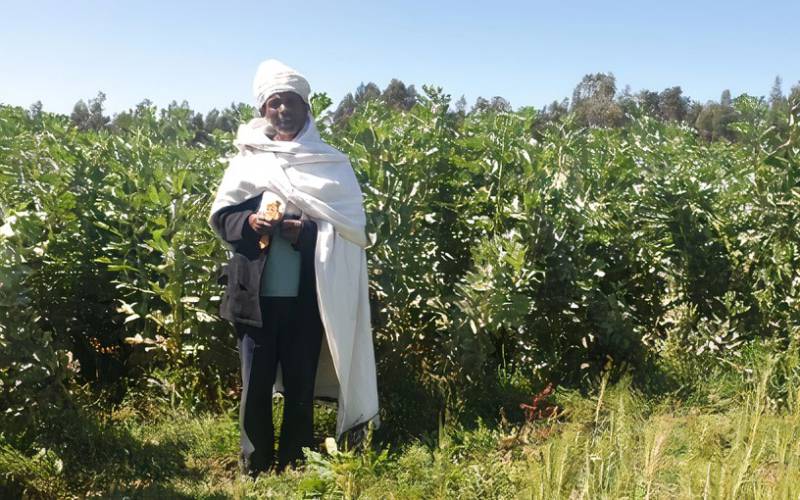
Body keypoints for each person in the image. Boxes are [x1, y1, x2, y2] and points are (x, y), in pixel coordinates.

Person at [208, 59, 379, 476]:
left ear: (307, 109)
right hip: (255, 300)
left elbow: (350, 232)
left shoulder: (330, 165)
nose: (283, 111)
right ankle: (255, 463)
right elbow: (224, 218)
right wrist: (251, 222)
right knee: (256, 387)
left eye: (292, 103)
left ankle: (295, 459)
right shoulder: (249, 160)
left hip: (307, 298)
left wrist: (301, 230)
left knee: (300, 386)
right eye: (274, 103)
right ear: (263, 110)